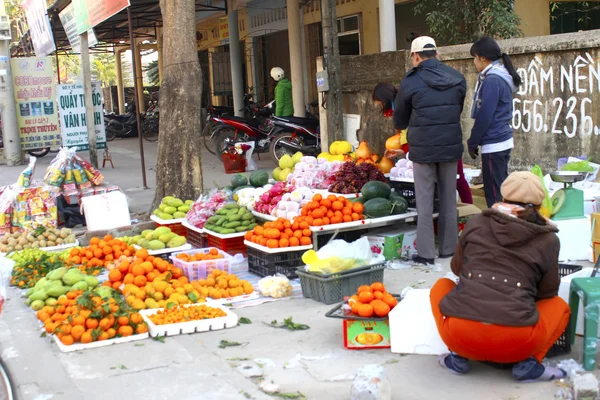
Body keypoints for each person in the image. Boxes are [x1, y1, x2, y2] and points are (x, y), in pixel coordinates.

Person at [430, 171, 570, 382]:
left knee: (441, 285)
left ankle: (457, 357)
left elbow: (457, 269)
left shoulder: (476, 223)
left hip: (460, 336)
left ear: (502, 198)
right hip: (516, 343)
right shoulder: (548, 239)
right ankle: (528, 364)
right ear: (540, 206)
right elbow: (548, 292)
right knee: (559, 306)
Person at [393, 37, 466, 265]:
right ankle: (448, 250)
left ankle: (425, 253)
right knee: (447, 200)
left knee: (424, 202)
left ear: (415, 56)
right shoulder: (457, 78)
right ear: (437, 53)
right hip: (450, 146)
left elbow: (400, 120)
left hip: (423, 148)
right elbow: (457, 109)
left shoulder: (410, 81)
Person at [373, 82, 473, 205]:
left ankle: (469, 208)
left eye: (379, 101)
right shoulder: (401, 106)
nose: (379, 105)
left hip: (442, 144)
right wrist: (405, 151)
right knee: (442, 181)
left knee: (457, 179)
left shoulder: (407, 106)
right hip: (425, 148)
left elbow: (417, 131)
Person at [468, 37, 522, 208]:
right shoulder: (499, 75)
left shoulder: (492, 79)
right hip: (501, 140)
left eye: (474, 58)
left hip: (495, 143)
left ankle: (501, 229)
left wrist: (473, 141)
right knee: (500, 190)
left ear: (482, 58)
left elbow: (485, 115)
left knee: (494, 196)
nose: (474, 62)